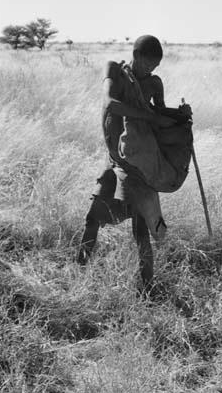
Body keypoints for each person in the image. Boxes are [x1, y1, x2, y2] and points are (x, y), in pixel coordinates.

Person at [77, 35, 193, 293]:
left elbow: (159, 112)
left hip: (139, 160)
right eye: (147, 63)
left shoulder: (153, 83)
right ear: (135, 55)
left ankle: (148, 287)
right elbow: (110, 104)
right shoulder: (115, 71)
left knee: (140, 230)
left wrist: (180, 115)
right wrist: (148, 115)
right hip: (115, 159)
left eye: (155, 66)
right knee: (93, 218)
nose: (150, 70)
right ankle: (80, 270)